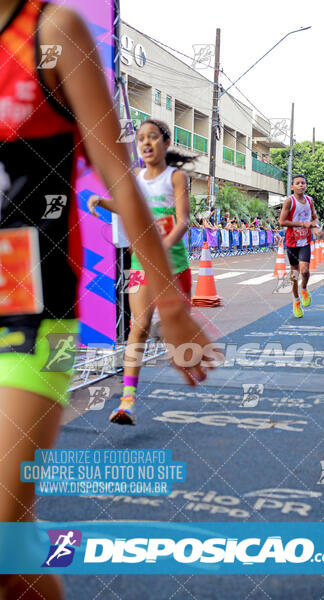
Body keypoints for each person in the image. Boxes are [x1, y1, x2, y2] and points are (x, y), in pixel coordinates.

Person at [0, 3, 215, 599]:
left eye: (152, 138)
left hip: (32, 320)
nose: (147, 143)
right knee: (12, 556)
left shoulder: (52, 33)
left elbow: (117, 177)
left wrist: (173, 305)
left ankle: (127, 393)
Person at [89, 119, 195, 425]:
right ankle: (127, 402)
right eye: (141, 139)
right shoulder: (135, 176)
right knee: (139, 325)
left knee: (176, 332)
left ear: (164, 143)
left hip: (173, 262)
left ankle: (169, 330)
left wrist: (162, 249)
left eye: (152, 138)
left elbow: (183, 220)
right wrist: (104, 202)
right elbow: (131, 209)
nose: (146, 143)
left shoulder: (176, 178)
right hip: (140, 263)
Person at [279, 174, 323, 318]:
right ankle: (296, 300)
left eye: (303, 183)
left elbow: (314, 217)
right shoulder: (289, 202)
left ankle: (304, 288)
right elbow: (282, 222)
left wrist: (315, 227)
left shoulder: (310, 200)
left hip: (305, 240)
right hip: (292, 241)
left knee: (304, 271)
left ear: (306, 186)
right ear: (292, 187)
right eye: (297, 183)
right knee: (294, 273)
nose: (300, 185)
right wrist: (303, 224)